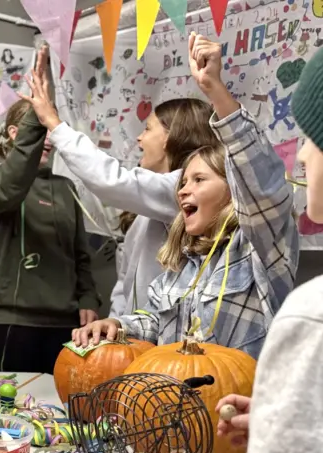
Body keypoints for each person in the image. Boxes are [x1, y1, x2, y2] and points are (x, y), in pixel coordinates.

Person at [181, 39, 323, 453]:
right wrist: (278, 418)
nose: (303, 156)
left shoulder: (274, 260)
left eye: (312, 139)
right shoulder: (190, 258)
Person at [73, 35, 299, 360]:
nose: (182, 189)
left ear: (233, 190)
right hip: (178, 405)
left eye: (199, 179)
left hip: (238, 405)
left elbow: (260, 180)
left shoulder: (260, 249)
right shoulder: (181, 265)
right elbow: (157, 323)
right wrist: (118, 325)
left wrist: (215, 91)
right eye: (183, 181)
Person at [22, 45, 219, 315]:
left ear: (172, 138)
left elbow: (111, 181)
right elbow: (125, 283)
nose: (139, 138)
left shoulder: (179, 191)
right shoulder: (146, 210)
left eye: (148, 129)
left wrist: (54, 123)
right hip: (136, 336)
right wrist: (116, 327)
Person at [0, 98, 100, 373]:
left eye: (51, 131)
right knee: (13, 409)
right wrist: (36, 112)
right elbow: (7, 191)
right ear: (14, 134)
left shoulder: (66, 187)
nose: (49, 139)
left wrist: (89, 299)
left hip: (66, 325)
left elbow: (80, 254)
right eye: (40, 129)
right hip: (13, 323)